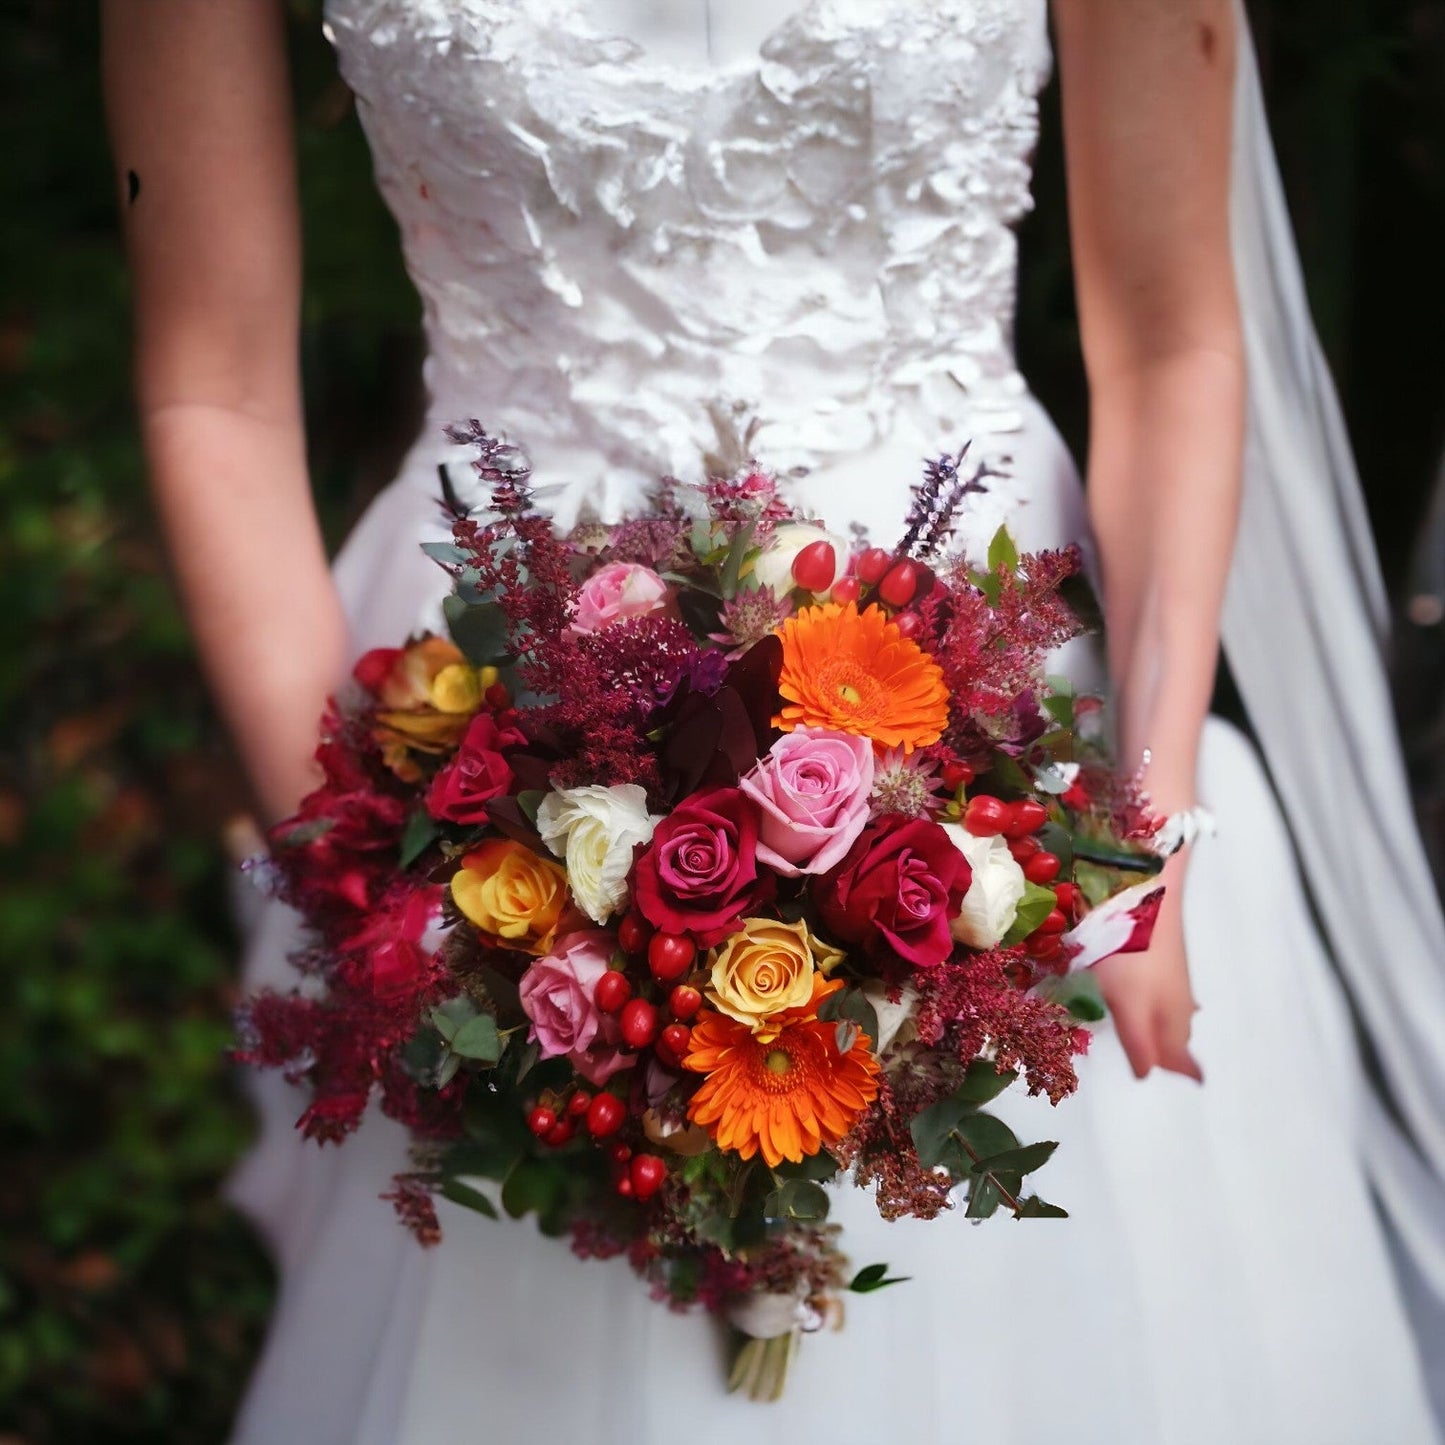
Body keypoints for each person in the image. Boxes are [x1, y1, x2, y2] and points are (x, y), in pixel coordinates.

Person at [101, 1, 1445, 1440]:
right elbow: (213, 387)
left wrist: (1140, 825)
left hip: (994, 711)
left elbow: (1175, 339)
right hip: (487, 710)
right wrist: (362, 863)